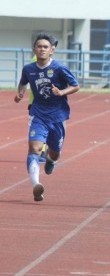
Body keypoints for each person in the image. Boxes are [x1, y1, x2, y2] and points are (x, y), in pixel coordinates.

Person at [14, 32, 80, 202]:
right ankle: (36, 184)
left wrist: (61, 92)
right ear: (34, 49)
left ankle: (51, 160)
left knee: (55, 152)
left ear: (52, 50)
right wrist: (20, 93)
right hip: (38, 114)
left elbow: (75, 85)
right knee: (34, 149)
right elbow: (23, 81)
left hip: (58, 116)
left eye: (45, 47)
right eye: (39, 46)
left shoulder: (59, 68)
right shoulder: (29, 69)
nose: (42, 49)